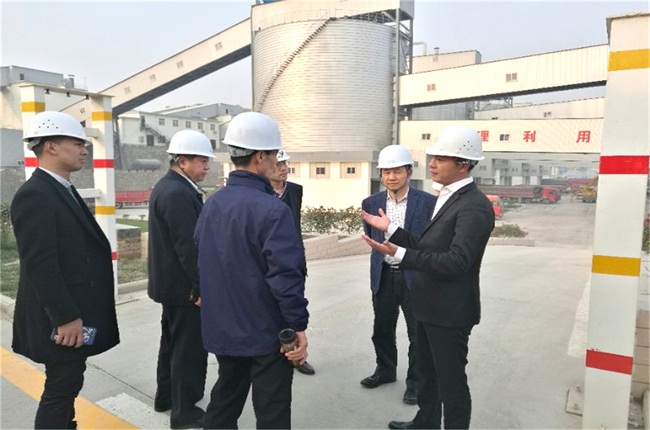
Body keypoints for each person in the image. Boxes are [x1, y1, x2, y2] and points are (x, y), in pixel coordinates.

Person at [361, 125, 495, 429]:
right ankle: (426, 422)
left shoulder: (474, 206)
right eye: (432, 157)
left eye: (440, 159)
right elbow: (428, 245)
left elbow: (457, 262)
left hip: (449, 313)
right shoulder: (449, 197)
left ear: (463, 164)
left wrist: (400, 254)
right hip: (428, 306)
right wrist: (391, 230)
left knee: (451, 384)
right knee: (429, 374)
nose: (431, 164)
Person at [194, 112, 309, 429]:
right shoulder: (273, 209)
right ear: (260, 156)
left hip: (224, 327)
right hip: (266, 331)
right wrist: (297, 324)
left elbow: (201, 259)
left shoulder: (212, 204)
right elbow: (285, 277)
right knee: (272, 410)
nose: (276, 162)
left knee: (225, 400)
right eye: (274, 154)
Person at [11, 111, 120, 429]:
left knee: (68, 381)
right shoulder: (35, 195)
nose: (84, 150)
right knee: (61, 388)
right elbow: (40, 265)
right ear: (51, 146)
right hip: (60, 317)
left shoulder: (60, 188)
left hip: (71, 311)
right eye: (78, 143)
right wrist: (65, 317)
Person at [360, 145, 436, 405]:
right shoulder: (371, 204)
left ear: (408, 172)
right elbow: (372, 237)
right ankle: (385, 370)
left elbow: (429, 243)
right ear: (380, 174)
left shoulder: (427, 203)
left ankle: (415, 382)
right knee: (382, 328)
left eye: (397, 171)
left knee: (417, 333)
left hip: (414, 275)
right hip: (383, 274)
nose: (391, 177)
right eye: (386, 172)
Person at [148, 130, 212, 429]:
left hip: (172, 286)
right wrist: (201, 287)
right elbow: (188, 246)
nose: (207, 167)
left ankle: (166, 398)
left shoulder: (170, 187)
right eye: (202, 161)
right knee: (189, 352)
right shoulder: (177, 193)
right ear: (182, 161)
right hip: (184, 289)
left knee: (172, 345)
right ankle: (185, 410)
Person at [267, 149, 315, 376]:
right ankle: (272, 356)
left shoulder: (295, 190)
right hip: (270, 261)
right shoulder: (261, 194)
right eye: (278, 164)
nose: (283, 168)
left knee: (293, 309)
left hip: (294, 260)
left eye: (285, 164)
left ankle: (296, 357)